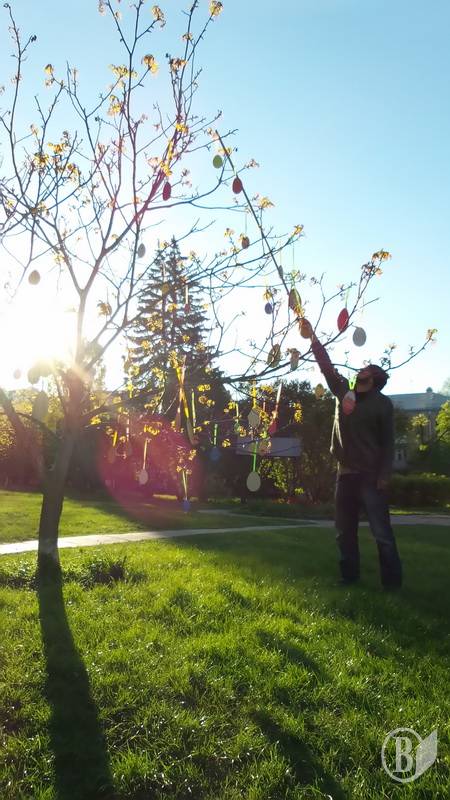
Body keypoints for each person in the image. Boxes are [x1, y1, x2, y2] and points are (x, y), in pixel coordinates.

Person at [304, 320, 402, 590]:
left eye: (366, 372)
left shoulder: (382, 404)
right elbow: (326, 366)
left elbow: (388, 443)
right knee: (344, 532)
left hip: (371, 476)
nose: (361, 371)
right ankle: (349, 577)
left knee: (382, 534)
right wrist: (312, 338)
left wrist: (384, 476)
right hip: (345, 474)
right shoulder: (343, 392)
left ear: (375, 380)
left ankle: (392, 585)